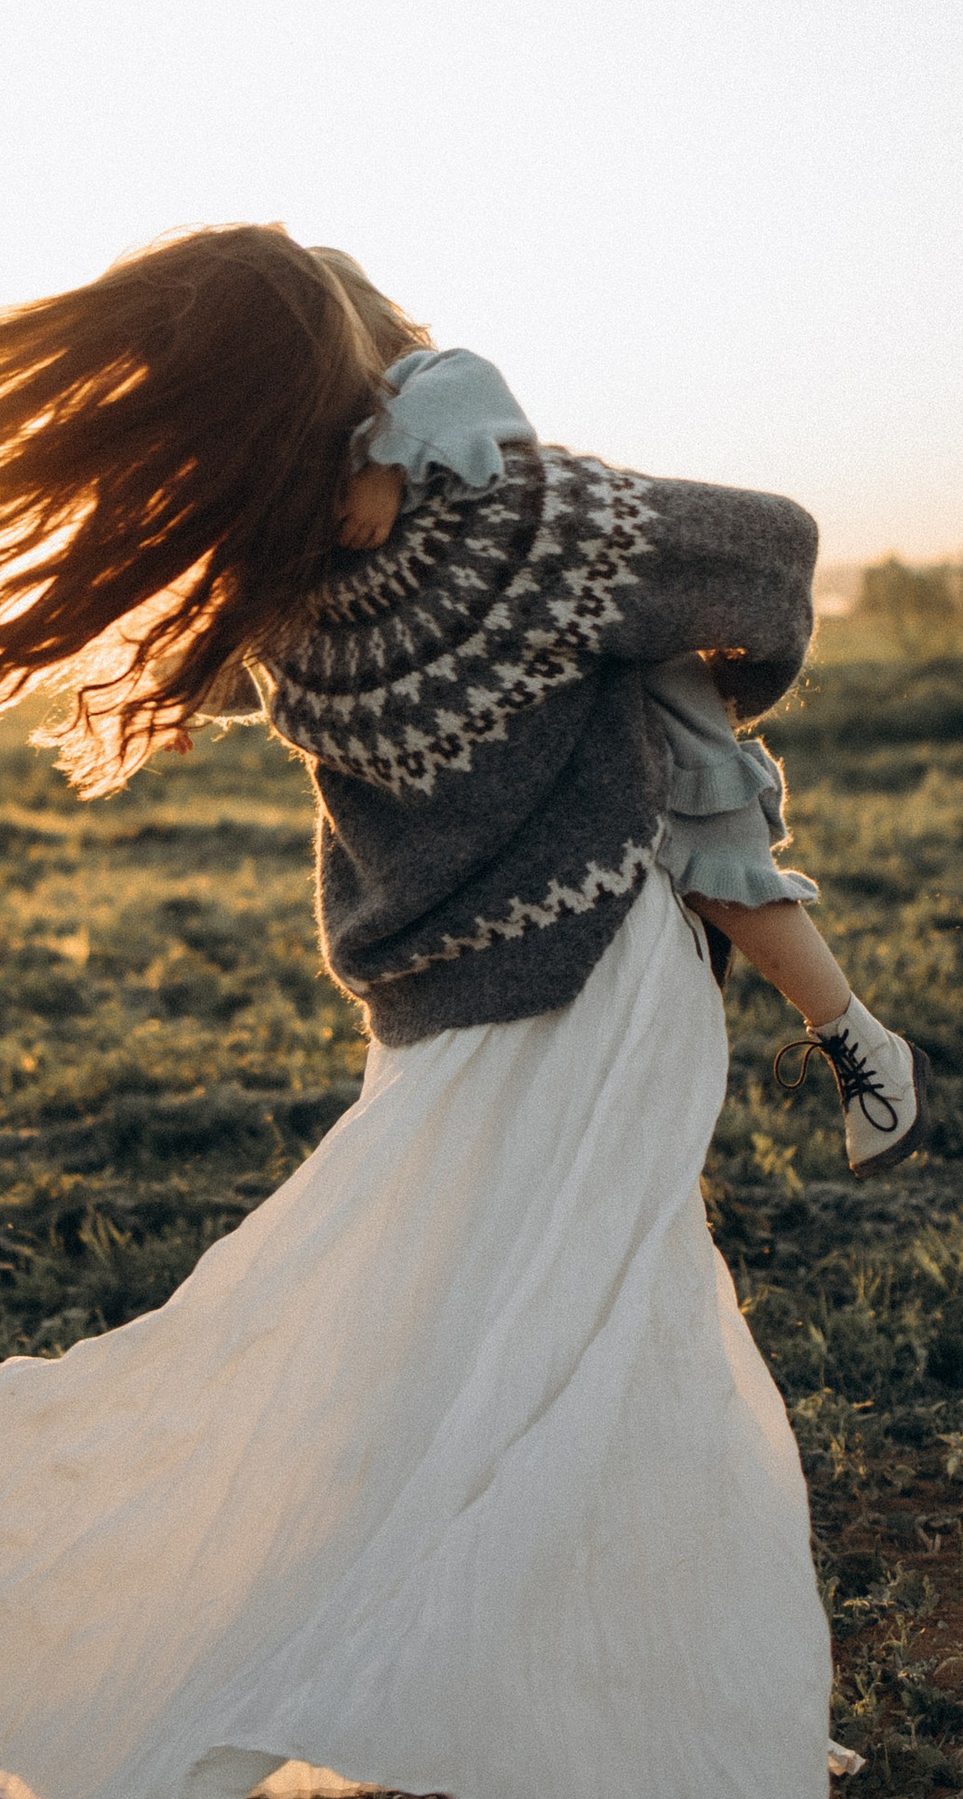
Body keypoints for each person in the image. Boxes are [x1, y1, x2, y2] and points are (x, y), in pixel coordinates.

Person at [0, 224, 875, 1799]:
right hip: (596, 999)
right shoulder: (528, 532)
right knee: (505, 1405)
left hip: (479, 1036)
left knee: (497, 1406)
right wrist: (694, 698)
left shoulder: (266, 597)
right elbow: (774, 554)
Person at [325, 282, 928, 1181]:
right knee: (700, 892)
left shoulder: (429, 387)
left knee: (730, 876)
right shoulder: (333, 478)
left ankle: (860, 1041)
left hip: (644, 683)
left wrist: (384, 460)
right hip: (572, 704)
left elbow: (477, 390)